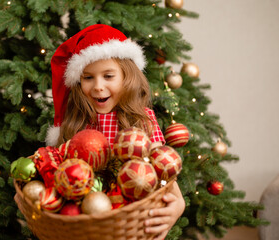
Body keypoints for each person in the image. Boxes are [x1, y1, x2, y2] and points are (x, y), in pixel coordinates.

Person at [47, 24, 185, 240]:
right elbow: (55, 172)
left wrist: (178, 206)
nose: (98, 86)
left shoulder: (143, 119)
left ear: (126, 77)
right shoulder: (80, 123)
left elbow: (162, 168)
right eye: (88, 77)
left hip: (133, 218)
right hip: (88, 221)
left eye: (108, 76)